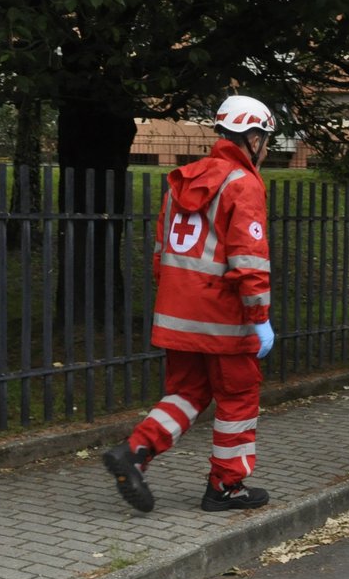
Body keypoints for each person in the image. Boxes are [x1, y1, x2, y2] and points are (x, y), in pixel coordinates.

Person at [103, 94, 278, 513]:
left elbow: (161, 253)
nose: (267, 149)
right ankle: (225, 487)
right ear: (252, 138)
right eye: (266, 140)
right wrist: (259, 318)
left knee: (186, 392)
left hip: (177, 313)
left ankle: (135, 450)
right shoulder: (243, 184)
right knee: (238, 398)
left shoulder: (182, 180)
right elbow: (249, 260)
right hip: (222, 319)